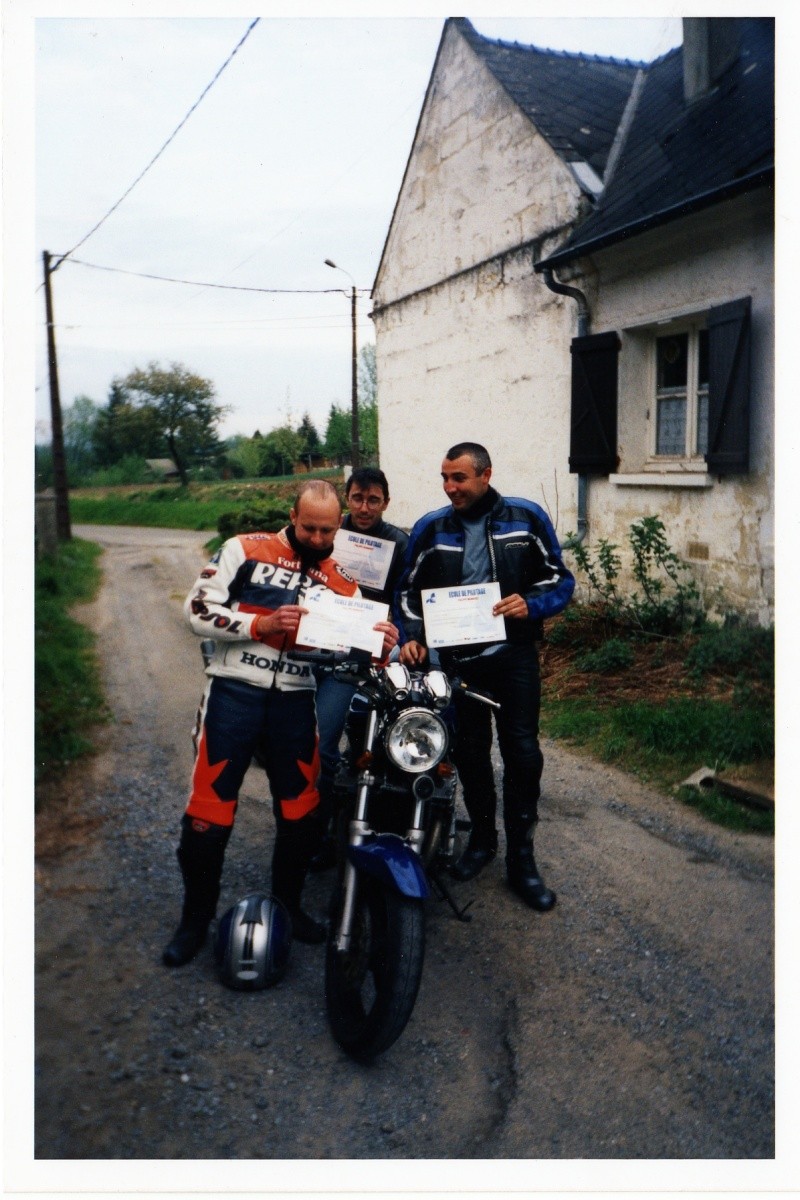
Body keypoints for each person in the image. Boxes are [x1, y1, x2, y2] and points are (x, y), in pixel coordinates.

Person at [162, 478, 398, 967]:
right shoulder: (244, 549)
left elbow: (355, 653)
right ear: (292, 516)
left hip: (295, 702)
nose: (316, 538)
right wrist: (258, 625)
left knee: (301, 813)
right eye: (308, 527)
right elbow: (196, 610)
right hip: (233, 693)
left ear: (339, 526)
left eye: (326, 531)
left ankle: (288, 907)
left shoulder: (341, 581)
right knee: (208, 815)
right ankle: (194, 920)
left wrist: (382, 643)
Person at [397, 442, 574, 911]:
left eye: (459, 478)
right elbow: (408, 592)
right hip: (458, 662)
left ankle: (522, 860)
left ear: (485, 474)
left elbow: (560, 579)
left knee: (523, 754)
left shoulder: (526, 518)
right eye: (444, 478)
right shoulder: (431, 528)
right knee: (470, 753)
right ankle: (482, 840)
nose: (449, 487)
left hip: (513, 656)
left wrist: (529, 605)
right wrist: (411, 634)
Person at [311, 467, 409, 869]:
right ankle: (322, 830)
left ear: (386, 501)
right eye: (356, 498)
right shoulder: (329, 532)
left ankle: (389, 813)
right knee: (321, 745)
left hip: (377, 647)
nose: (364, 507)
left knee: (384, 729)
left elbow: (406, 597)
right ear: (346, 499)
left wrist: (397, 634)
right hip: (327, 645)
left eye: (373, 500)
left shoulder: (400, 542)